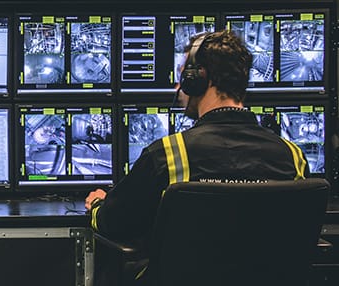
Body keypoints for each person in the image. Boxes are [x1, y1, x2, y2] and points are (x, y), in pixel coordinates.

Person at [85, 30, 309, 284]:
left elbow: (113, 224)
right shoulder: (292, 157)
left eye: (183, 75)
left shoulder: (169, 155)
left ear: (198, 78)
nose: (178, 86)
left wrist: (97, 205)